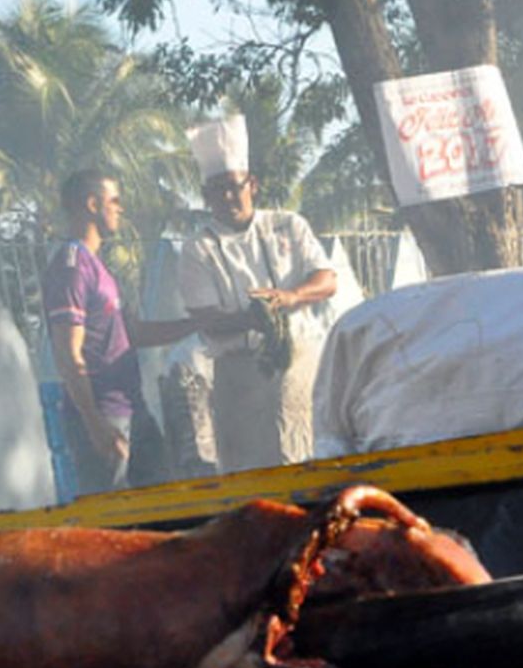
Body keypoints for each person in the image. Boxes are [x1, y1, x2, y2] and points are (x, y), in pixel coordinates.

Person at [42, 170, 226, 494]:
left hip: (133, 410)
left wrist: (197, 324)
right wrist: (95, 424)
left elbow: (135, 333)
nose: (120, 209)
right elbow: (68, 355)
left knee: (163, 502)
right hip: (103, 416)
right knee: (111, 517)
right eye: (114, 201)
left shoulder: (100, 268)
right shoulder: (71, 268)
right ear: (92, 204)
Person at [178, 115, 337, 472]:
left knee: (296, 457)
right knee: (245, 472)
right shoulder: (198, 248)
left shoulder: (288, 225)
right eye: (218, 190)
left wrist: (289, 298)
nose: (228, 197)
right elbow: (207, 321)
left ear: (253, 185)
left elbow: (327, 280)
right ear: (206, 197)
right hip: (237, 373)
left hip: (296, 360)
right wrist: (254, 317)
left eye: (235, 186)